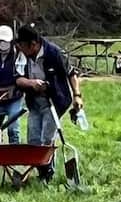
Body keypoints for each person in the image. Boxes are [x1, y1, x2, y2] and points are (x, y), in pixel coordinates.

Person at [13, 24, 83, 180]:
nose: (21, 49)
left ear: (33, 44)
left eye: (23, 46)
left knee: (46, 138)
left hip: (54, 102)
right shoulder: (21, 55)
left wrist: (77, 95)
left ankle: (47, 172)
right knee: (34, 140)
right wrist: (32, 83)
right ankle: (40, 170)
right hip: (33, 102)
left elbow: (72, 74)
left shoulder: (54, 53)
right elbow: (17, 79)